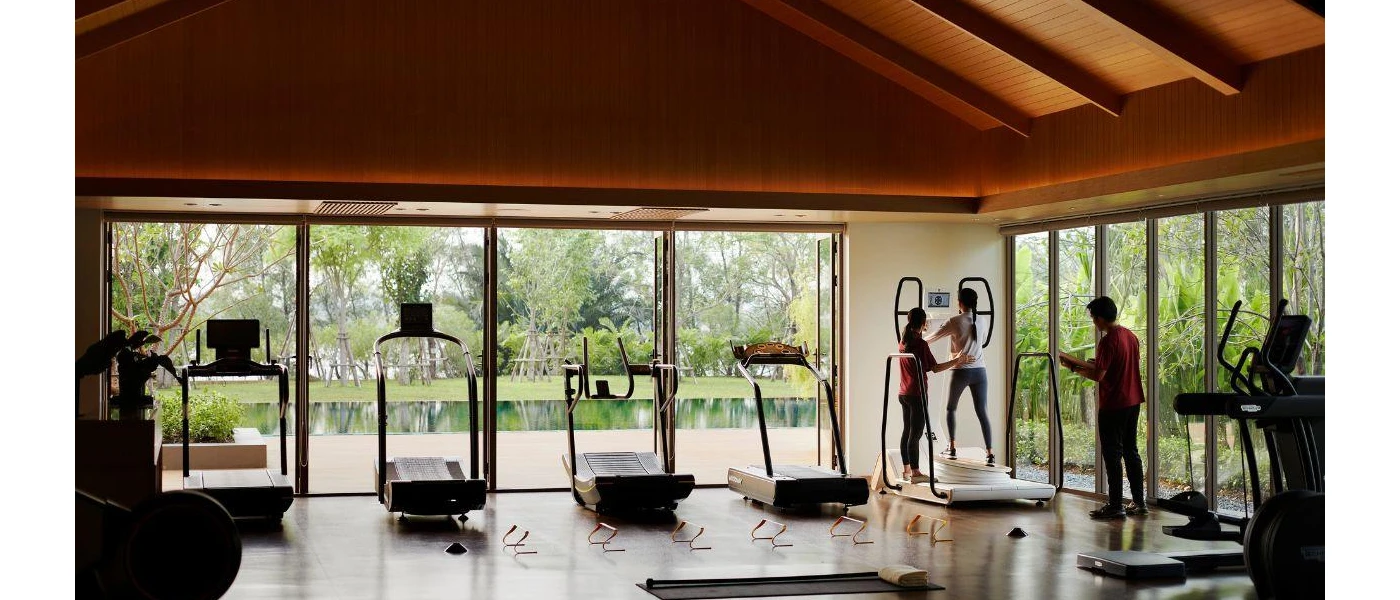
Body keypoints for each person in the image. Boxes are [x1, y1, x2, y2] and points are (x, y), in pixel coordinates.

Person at [1059, 296, 1147, 519]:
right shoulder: (1131, 336)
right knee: (1131, 451)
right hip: (1133, 400)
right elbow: (1115, 367)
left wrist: (1073, 367)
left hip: (1113, 404)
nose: (1094, 323)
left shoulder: (1108, 341)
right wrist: (1091, 364)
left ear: (1099, 318)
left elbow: (1099, 375)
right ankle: (1139, 502)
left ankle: (1116, 505)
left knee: (1112, 454)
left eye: (1093, 318)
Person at [898, 307, 970, 484]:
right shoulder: (920, 344)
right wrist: (957, 360)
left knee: (907, 432)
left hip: (904, 393)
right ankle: (915, 473)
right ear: (923, 323)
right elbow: (935, 368)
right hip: (917, 393)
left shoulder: (903, 341)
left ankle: (906, 470)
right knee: (915, 434)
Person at [927, 288, 994, 466]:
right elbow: (982, 341)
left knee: (950, 409)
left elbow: (931, 339)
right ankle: (990, 452)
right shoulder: (983, 320)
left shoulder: (954, 321)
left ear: (959, 303)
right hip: (980, 371)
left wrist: (915, 335)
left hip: (960, 370)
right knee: (982, 412)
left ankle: (953, 447)